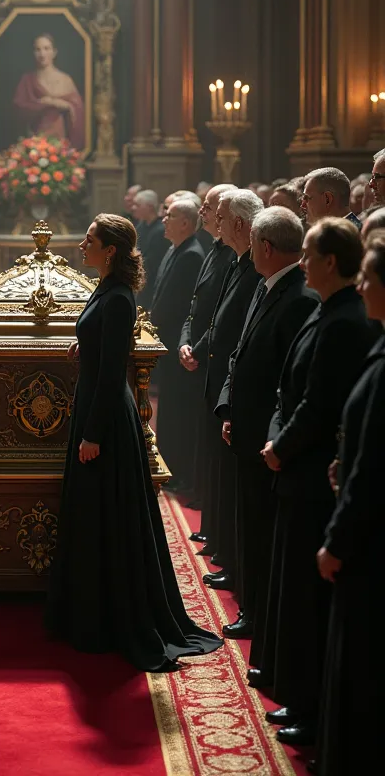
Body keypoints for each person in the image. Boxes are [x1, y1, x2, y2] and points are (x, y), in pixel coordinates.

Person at [46, 213, 222, 671]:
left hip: (104, 418)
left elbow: (111, 375)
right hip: (94, 406)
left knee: (108, 518)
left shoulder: (121, 298)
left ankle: (110, 620)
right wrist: (83, 345)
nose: (81, 244)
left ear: (110, 251)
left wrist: (92, 435)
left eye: (89, 239)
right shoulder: (106, 288)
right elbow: (99, 342)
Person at [253, 218, 376, 746]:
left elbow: (321, 403)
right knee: (293, 592)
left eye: (307, 254)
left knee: (307, 601)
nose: (300, 261)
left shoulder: (348, 320)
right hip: (297, 471)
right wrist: (277, 436)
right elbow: (291, 387)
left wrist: (282, 447)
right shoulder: (326, 309)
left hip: (311, 476)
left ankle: (309, 704)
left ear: (331, 262)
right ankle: (297, 693)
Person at [214, 207, 318, 641]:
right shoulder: (266, 284)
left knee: (262, 531)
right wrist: (227, 408)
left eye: (254, 244)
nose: (250, 251)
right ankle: (252, 606)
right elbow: (240, 354)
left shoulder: (298, 298)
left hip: (266, 441)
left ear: (267, 247)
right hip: (246, 428)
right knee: (249, 526)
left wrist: (270, 435)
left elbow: (287, 380)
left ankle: (259, 616)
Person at [314, 231, 385, 776]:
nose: (360, 285)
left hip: (367, 542)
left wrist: (336, 539)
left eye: (368, 277)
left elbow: (373, 465)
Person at [202, 189, 264, 593]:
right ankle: (229, 556)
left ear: (240, 224)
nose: (217, 223)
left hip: (246, 399)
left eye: (222, 217)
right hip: (225, 387)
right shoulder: (238, 261)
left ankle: (239, 570)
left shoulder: (255, 269)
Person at [178, 184, 236, 536]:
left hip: (214, 358)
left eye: (212, 207)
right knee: (205, 441)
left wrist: (196, 349)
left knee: (215, 447)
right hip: (199, 351)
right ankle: (209, 520)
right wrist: (186, 342)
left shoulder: (228, 254)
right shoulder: (214, 249)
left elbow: (221, 317)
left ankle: (215, 525)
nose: (205, 212)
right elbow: (195, 307)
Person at [150, 198, 205, 491]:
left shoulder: (191, 255)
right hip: (168, 343)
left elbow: (182, 305)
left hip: (176, 343)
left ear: (185, 222)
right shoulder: (176, 249)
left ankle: (178, 469)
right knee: (168, 408)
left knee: (176, 411)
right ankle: (169, 463)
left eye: (169, 215)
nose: (164, 220)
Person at [13, 33, 85, 148]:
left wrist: (64, 104)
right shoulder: (28, 79)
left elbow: (78, 112)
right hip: (36, 139)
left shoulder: (66, 79)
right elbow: (19, 109)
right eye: (38, 50)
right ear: (33, 53)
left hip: (60, 138)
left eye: (46, 49)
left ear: (54, 52)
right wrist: (40, 104)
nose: (42, 54)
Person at [132, 189, 168, 309]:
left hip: (151, 283)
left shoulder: (160, 230)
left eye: (137, 205)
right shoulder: (141, 226)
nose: (133, 207)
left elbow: (153, 260)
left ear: (150, 207)